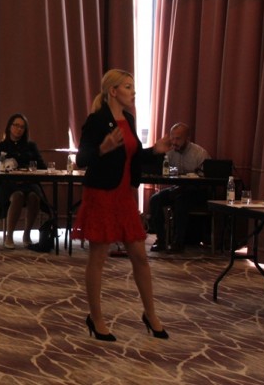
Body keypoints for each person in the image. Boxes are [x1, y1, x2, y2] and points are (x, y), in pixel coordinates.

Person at [73, 69, 171, 341]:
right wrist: (102, 149)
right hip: (102, 194)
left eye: (133, 86)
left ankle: (150, 315)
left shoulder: (128, 120)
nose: (133, 91)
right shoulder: (96, 120)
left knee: (140, 256)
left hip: (124, 196)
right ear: (113, 91)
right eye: (128, 86)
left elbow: (134, 157)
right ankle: (96, 318)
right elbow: (82, 158)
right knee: (98, 258)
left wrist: (155, 151)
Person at [0, 113, 49, 251]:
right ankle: (9, 236)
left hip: (28, 182)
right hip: (8, 184)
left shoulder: (31, 146)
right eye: (16, 125)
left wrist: (29, 168)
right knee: (18, 196)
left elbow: (42, 167)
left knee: (34, 197)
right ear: (9, 127)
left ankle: (27, 234)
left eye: (22, 127)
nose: (19, 129)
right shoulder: (1, 146)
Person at [147, 123, 210, 252]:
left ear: (187, 138)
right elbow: (160, 169)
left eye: (178, 139)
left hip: (196, 191)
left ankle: (178, 242)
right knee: (155, 199)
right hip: (177, 188)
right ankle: (161, 240)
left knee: (181, 200)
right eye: (173, 138)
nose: (174, 142)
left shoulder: (200, 153)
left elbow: (207, 179)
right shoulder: (169, 152)